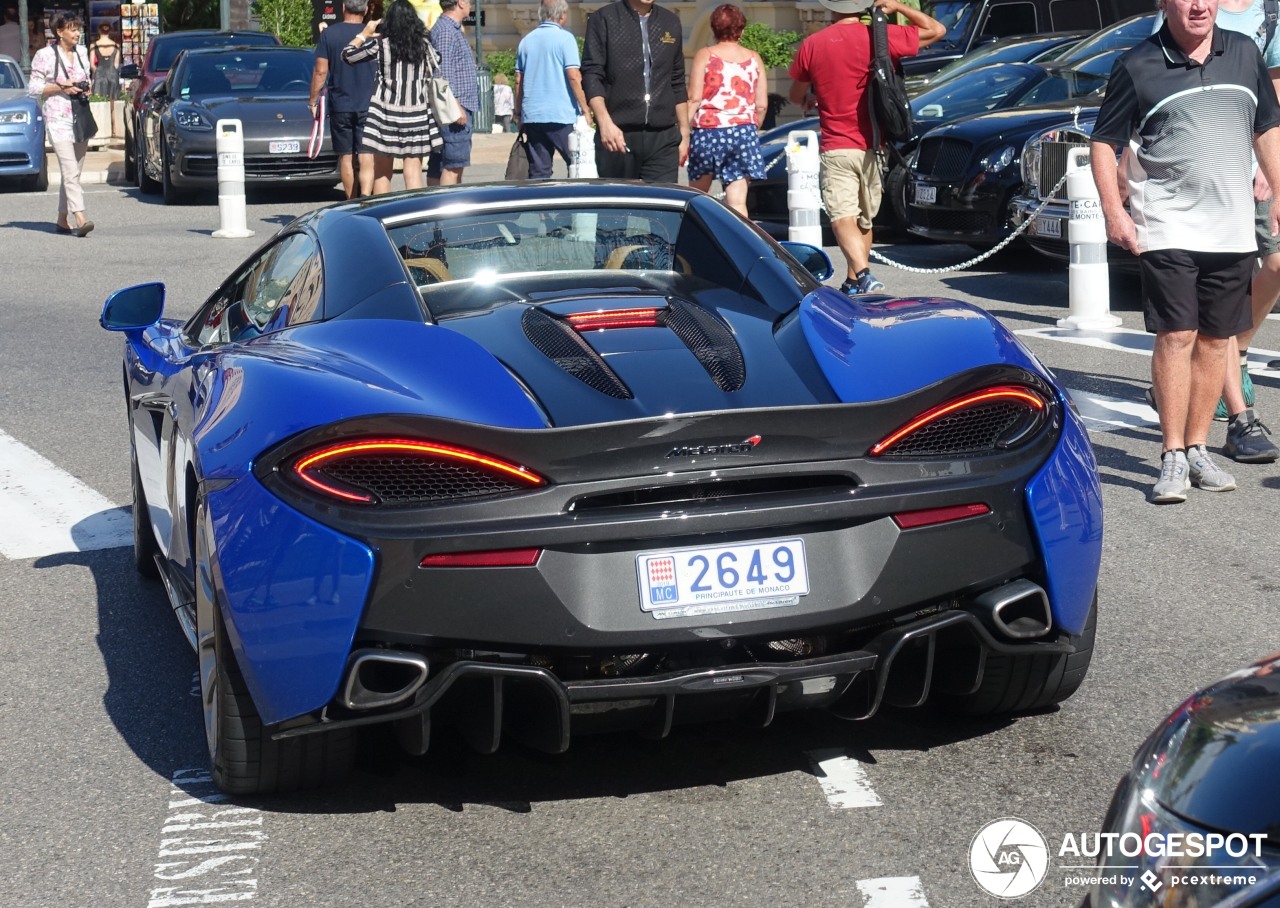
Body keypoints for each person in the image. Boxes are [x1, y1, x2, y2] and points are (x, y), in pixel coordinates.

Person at [1090, 0, 1280, 503]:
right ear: (1164, 4)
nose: (1199, 5)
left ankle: (1199, 448)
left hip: (1232, 226)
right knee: (1178, 334)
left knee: (1217, 341)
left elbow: (1266, 128)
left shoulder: (1243, 53)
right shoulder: (1136, 63)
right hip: (1167, 224)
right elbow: (1105, 143)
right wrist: (1115, 212)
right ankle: (1172, 455)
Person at [1143, 0, 1280, 464]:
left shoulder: (1268, 11)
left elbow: (1272, 99)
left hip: (1250, 175)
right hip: (1191, 191)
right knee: (1193, 323)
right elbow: (1149, 101)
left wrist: (1272, 171)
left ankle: (1222, 367)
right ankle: (1237, 417)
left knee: (1268, 274)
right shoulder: (1179, 14)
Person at [788, 0, 944, 296]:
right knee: (863, 218)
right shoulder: (880, 36)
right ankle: (853, 282)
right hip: (875, 144)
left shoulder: (813, 44)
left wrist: (811, 97)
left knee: (841, 216)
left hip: (837, 146)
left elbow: (795, 93)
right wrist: (899, 6)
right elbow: (936, 29)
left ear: (830, 8)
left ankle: (862, 274)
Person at [342, 0, 443, 195]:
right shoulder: (423, 45)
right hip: (416, 114)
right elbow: (437, 60)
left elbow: (347, 55)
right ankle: (415, 216)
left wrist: (364, 34)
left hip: (386, 114)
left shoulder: (381, 45)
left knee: (382, 172)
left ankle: (385, 218)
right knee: (413, 173)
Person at [580, 0, 688, 183]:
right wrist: (604, 122)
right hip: (618, 135)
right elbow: (592, 74)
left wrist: (684, 131)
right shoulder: (604, 19)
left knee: (660, 206)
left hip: (663, 137)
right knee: (619, 206)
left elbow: (677, 80)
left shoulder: (670, 21)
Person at [686, 4, 767, 218]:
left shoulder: (705, 55)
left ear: (714, 28)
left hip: (708, 131)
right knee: (738, 201)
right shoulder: (754, 58)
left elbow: (694, 98)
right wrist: (749, 127)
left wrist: (683, 131)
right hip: (743, 131)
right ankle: (738, 246)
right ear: (741, 29)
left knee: (696, 196)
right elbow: (761, 105)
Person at [27, 14, 94, 237]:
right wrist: (60, 86)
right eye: (72, 29)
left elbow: (87, 78)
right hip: (57, 117)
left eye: (78, 29)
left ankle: (61, 219)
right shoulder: (44, 55)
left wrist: (86, 88)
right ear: (59, 32)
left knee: (74, 171)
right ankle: (80, 216)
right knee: (70, 169)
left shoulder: (82, 52)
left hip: (80, 116)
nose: (77, 33)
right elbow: (34, 88)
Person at [515, 0, 591, 180]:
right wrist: (585, 109)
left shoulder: (526, 41)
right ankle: (575, 204)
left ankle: (541, 206)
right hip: (561, 114)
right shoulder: (566, 39)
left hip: (533, 115)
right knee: (576, 164)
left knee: (539, 171)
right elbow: (573, 75)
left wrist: (518, 113)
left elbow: (519, 80)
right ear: (563, 15)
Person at [311, 0, 377, 199]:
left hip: (341, 103)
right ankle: (366, 197)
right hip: (369, 103)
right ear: (365, 10)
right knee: (367, 155)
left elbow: (321, 71)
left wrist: (313, 100)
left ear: (343, 9)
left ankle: (350, 200)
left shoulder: (329, 35)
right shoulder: (373, 34)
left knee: (346, 156)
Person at [427, 0, 478, 186]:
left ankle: (433, 207)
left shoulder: (450, 29)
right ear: (460, 3)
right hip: (454, 110)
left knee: (441, 164)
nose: (471, 5)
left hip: (455, 106)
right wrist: (456, 107)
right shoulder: (446, 32)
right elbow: (443, 74)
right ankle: (448, 211)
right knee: (454, 166)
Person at [90, 23, 121, 137]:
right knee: (113, 101)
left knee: (100, 102)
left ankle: (101, 128)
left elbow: (92, 64)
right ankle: (113, 129)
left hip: (100, 73)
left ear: (99, 30)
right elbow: (116, 64)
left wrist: (97, 72)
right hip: (113, 73)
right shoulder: (116, 45)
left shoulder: (94, 45)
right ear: (110, 30)